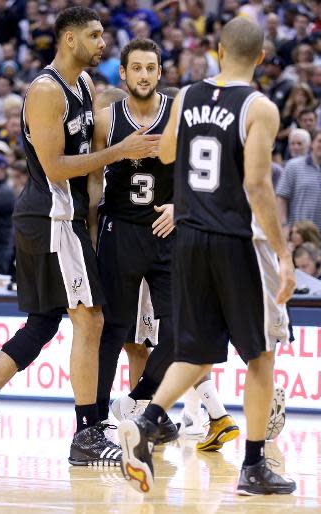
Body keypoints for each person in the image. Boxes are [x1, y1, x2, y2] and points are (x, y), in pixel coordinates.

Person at [0, 7, 159, 466]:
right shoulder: (46, 91)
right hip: (52, 219)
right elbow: (54, 167)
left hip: (69, 217)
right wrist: (120, 151)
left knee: (42, 325)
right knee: (91, 320)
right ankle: (86, 433)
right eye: (95, 36)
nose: (103, 44)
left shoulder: (83, 84)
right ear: (69, 40)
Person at [118, 17, 296, 496]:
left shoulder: (189, 95)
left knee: (197, 352)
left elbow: (170, 154)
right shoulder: (260, 106)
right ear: (261, 58)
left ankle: (148, 417)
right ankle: (254, 465)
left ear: (219, 50)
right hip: (234, 239)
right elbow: (257, 184)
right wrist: (283, 252)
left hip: (189, 239)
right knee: (260, 355)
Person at [91, 39, 237, 450]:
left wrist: (180, 205)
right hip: (119, 231)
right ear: (123, 73)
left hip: (168, 232)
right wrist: (88, 236)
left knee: (182, 331)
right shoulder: (106, 121)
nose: (142, 75)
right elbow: (90, 182)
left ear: (160, 73)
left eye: (150, 68)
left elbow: (206, 171)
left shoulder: (180, 116)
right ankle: (96, 421)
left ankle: (138, 399)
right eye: (135, 68)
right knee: (113, 330)